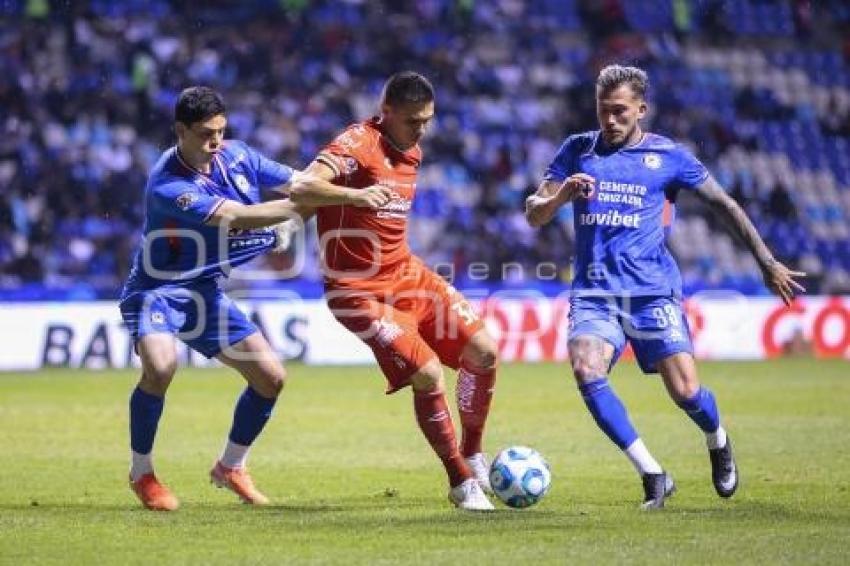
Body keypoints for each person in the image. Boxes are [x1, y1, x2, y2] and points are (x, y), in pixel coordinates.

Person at [525, 65, 806, 509]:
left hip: (652, 293)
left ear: (641, 109)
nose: (610, 120)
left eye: (620, 111)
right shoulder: (577, 150)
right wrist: (560, 199)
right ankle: (653, 474)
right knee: (586, 370)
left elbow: (724, 204)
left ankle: (717, 438)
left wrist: (767, 262)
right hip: (595, 293)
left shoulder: (669, 157)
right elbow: (534, 212)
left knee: (686, 392)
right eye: (603, 111)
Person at [120, 86, 392, 511]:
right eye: (206, 133)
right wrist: (348, 196)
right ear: (180, 131)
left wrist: (337, 180)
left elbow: (301, 182)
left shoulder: (239, 156)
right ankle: (142, 473)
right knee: (161, 365)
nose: (216, 142)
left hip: (204, 291)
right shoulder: (167, 184)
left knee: (270, 377)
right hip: (157, 289)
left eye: (221, 131)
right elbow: (236, 215)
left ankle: (231, 466)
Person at [292, 71, 500, 511]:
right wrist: (355, 198)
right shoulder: (357, 143)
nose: (421, 129)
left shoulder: (413, 148)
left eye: (426, 120)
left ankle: (474, 453)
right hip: (356, 292)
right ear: (386, 113)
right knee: (427, 374)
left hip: (407, 275)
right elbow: (303, 185)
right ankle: (460, 482)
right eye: (411, 121)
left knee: (484, 349)